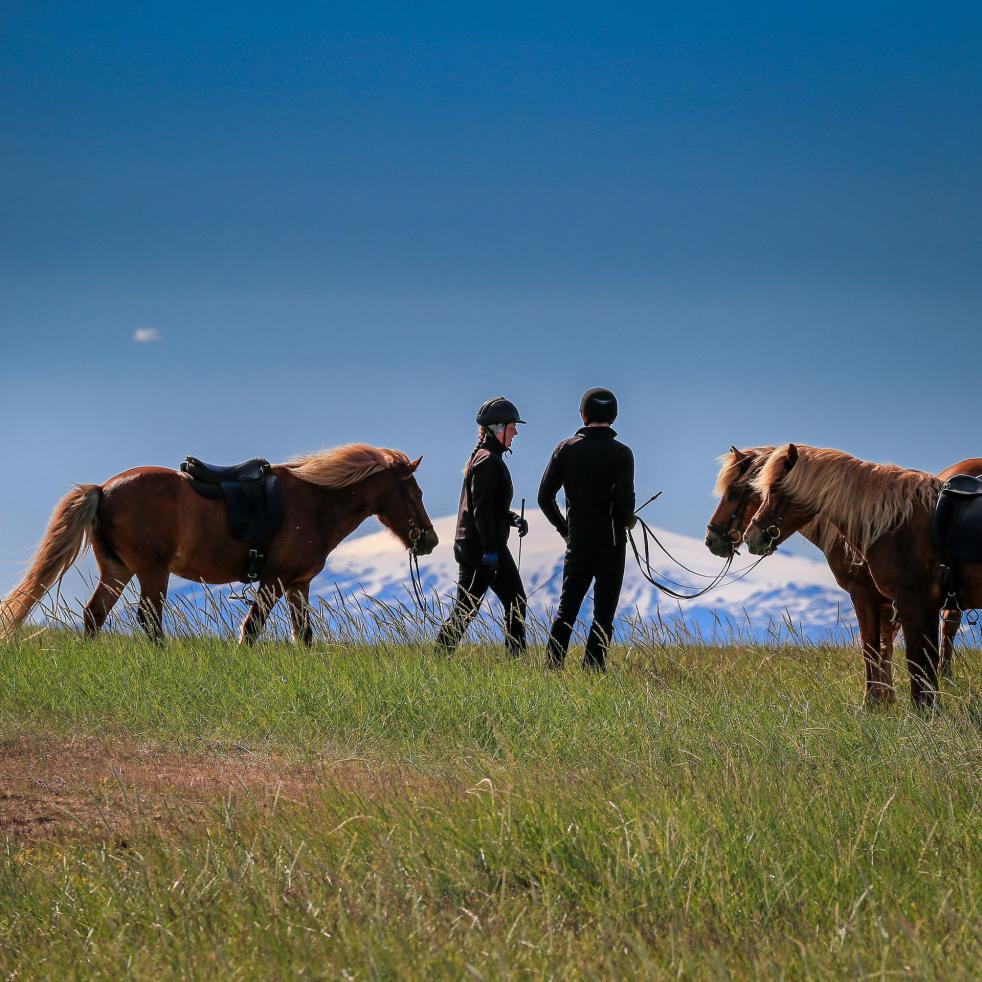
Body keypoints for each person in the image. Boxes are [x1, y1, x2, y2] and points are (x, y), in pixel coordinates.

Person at [538, 387, 636, 671]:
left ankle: (552, 668)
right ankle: (593, 669)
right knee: (603, 613)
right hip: (612, 543)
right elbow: (625, 503)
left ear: (583, 415)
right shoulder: (622, 454)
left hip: (578, 543)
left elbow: (544, 498)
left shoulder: (566, 449)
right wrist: (627, 520)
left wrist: (564, 529)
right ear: (614, 417)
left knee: (567, 608)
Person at [435, 397, 530, 654]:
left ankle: (439, 657)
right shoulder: (488, 460)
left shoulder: (483, 456)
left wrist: (511, 518)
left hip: (470, 543)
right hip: (483, 546)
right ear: (497, 428)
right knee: (516, 604)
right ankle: (517, 664)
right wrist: (490, 550)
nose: (516, 432)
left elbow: (487, 505)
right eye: (512, 427)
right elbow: (482, 508)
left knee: (466, 608)